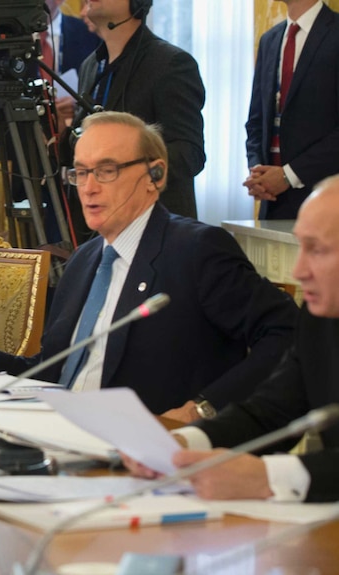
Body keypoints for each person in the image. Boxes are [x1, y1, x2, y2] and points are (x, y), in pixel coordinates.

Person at [0, 111, 298, 420]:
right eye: (80, 172)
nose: (88, 186)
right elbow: (54, 371)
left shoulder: (196, 250)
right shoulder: (84, 259)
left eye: (107, 170)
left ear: (155, 175)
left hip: (142, 446)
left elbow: (287, 332)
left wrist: (204, 408)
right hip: (55, 431)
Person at [127, 176, 339, 503]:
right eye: (301, 246)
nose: (299, 271)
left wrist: (267, 478)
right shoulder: (320, 319)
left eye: (317, 250)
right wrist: (181, 444)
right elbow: (269, 413)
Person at [70, 0, 205, 242]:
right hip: (99, 234)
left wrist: (127, 171)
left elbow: (189, 154)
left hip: (157, 236)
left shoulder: (171, 63)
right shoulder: (90, 66)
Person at [243, 0, 339, 220]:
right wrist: (258, 171)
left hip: (326, 199)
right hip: (272, 202)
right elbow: (256, 120)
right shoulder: (270, 40)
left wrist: (288, 175)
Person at [0, 0, 99, 135]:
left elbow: (102, 92)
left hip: (77, 142)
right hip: (19, 143)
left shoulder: (90, 33)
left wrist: (79, 105)